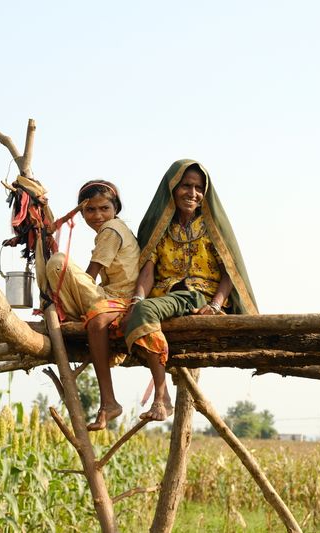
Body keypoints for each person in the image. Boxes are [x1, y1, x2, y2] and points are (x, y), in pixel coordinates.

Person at [119, 159, 258, 423]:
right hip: (167, 296)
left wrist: (216, 305)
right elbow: (147, 270)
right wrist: (137, 298)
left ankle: (161, 397)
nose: (192, 193)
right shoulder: (161, 227)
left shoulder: (211, 227)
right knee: (139, 310)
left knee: (146, 311)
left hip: (200, 295)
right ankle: (163, 393)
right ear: (172, 188)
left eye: (198, 188)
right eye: (186, 186)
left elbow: (230, 271)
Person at [45, 180, 140, 430]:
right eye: (90, 210)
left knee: (57, 262)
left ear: (115, 209)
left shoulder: (111, 229)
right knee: (59, 265)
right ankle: (108, 402)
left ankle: (108, 402)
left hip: (117, 301)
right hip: (112, 297)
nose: (97, 215)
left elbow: (91, 274)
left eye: (104, 208)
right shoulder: (113, 229)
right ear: (82, 212)